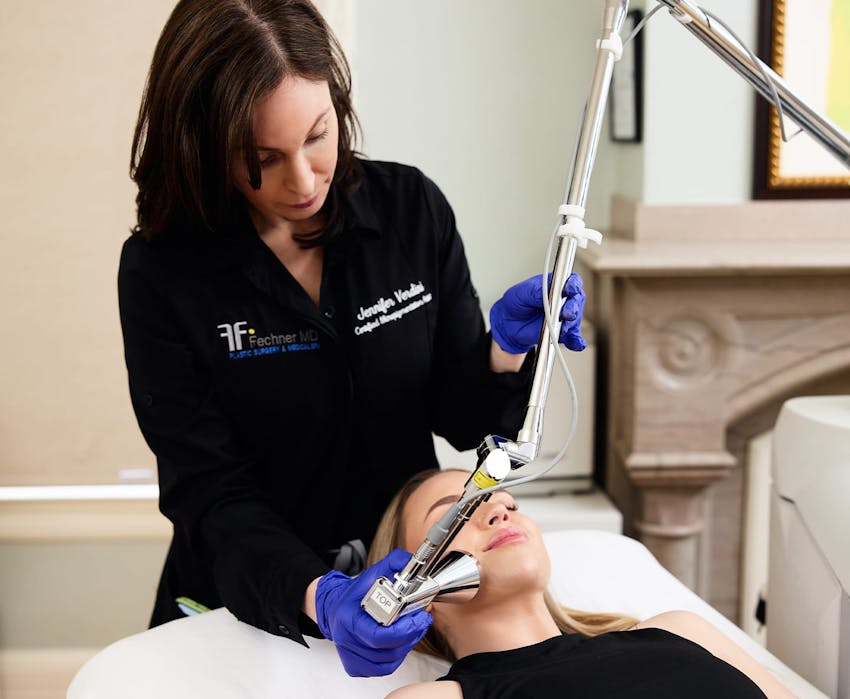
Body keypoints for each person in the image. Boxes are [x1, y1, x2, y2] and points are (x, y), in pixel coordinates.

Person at [118, 0, 587, 679]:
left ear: (338, 101)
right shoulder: (165, 274)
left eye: (317, 135)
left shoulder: (408, 211)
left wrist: (505, 350)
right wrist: (320, 594)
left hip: (407, 602)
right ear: (204, 144)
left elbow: (464, 416)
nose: (303, 179)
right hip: (251, 602)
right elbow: (210, 494)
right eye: (263, 158)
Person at [369, 469, 797, 698]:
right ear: (410, 588)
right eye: (455, 514)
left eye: (506, 500)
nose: (498, 510)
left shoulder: (678, 631)